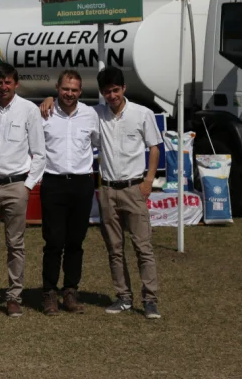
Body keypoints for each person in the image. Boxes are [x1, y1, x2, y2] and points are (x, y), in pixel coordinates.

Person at [0, 63, 46, 318]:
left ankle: (14, 296)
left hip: (16, 185)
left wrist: (26, 187)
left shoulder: (29, 110)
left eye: (8, 82)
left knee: (16, 245)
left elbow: (39, 153)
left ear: (16, 83)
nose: (3, 87)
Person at [94, 66, 162, 320]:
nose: (112, 95)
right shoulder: (97, 114)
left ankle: (150, 300)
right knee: (114, 248)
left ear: (124, 89)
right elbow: (68, 109)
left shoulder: (142, 114)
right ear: (101, 93)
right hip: (108, 189)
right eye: (107, 91)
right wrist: (47, 100)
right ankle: (123, 297)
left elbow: (154, 147)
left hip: (134, 188)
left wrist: (148, 181)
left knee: (142, 247)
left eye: (115, 90)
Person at [38, 70, 100, 315]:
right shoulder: (44, 113)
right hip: (53, 183)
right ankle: (49, 293)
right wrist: (46, 100)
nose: (69, 94)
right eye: (65, 89)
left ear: (80, 91)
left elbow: (97, 142)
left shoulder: (90, 114)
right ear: (57, 88)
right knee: (53, 242)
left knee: (76, 242)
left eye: (74, 90)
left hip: (82, 183)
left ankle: (71, 292)